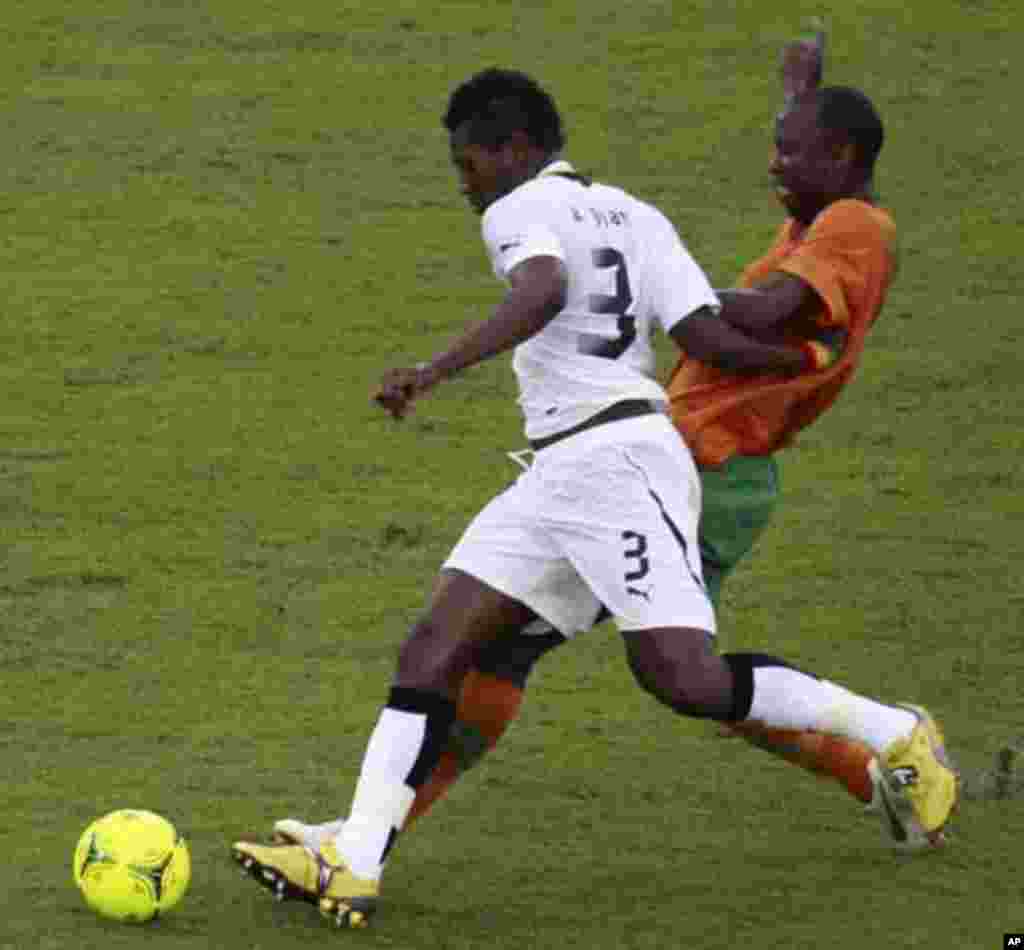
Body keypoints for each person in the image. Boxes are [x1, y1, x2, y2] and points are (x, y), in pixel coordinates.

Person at [232, 67, 957, 929]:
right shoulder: (637, 215)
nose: (464, 184)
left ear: (514, 149)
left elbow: (539, 291)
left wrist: (431, 372)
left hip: (616, 465)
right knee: (435, 647)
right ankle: (353, 859)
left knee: (681, 676)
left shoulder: (519, 209)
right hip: (561, 470)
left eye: (468, 164)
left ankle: (891, 736)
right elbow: (706, 335)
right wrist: (807, 362)